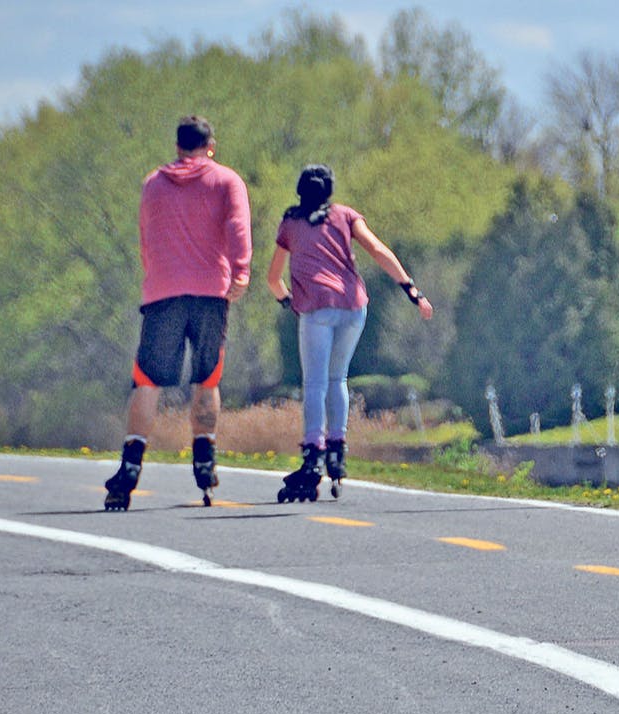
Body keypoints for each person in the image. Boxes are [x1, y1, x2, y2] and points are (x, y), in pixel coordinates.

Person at [103, 115, 252, 511]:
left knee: (147, 381)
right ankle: (205, 462)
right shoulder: (226, 181)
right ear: (211, 145)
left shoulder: (153, 183)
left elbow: (145, 237)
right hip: (210, 293)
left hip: (163, 293)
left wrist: (155, 276)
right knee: (207, 376)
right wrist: (242, 271)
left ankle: (130, 469)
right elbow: (238, 226)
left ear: (177, 146)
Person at [267, 164, 433, 500]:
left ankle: (313, 454)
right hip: (354, 308)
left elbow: (273, 278)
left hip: (315, 309)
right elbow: (377, 250)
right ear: (329, 192)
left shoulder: (290, 223)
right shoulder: (345, 216)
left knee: (314, 382)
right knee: (337, 378)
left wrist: (288, 301)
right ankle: (337, 452)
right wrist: (412, 291)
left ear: (300, 191)